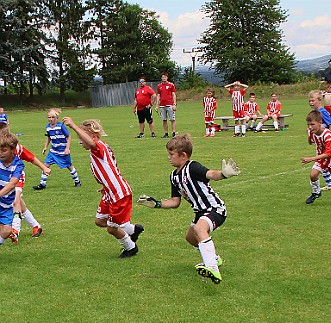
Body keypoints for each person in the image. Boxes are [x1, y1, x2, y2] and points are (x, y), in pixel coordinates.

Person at [137, 134, 241, 284]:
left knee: (200, 230)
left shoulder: (192, 167)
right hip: (200, 213)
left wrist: (224, 174)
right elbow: (175, 201)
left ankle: (212, 268)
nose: (169, 157)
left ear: (183, 156)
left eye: (171, 154)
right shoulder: (174, 176)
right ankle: (214, 259)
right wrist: (156, 204)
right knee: (191, 238)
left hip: (215, 209)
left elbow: (210, 174)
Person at [62, 117, 143, 258]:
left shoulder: (98, 147)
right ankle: (132, 229)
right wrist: (105, 186)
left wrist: (74, 126)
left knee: (112, 228)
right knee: (99, 221)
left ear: (93, 136)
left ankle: (130, 247)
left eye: (82, 137)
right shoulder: (98, 149)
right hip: (109, 191)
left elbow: (92, 145)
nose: (80, 141)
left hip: (118, 193)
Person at [0, 124, 50, 242]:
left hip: (17, 177)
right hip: (4, 179)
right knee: (20, 204)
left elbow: (31, 157)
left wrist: (44, 167)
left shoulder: (16, 149)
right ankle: (36, 226)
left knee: (16, 201)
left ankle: (15, 230)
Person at [33, 108, 81, 190]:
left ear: (57, 118)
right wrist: (45, 147)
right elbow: (48, 137)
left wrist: (67, 148)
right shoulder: (47, 127)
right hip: (53, 151)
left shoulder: (61, 126)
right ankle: (42, 184)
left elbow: (69, 136)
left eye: (52, 117)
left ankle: (77, 181)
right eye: (49, 117)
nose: (51, 119)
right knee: (46, 166)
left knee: (69, 166)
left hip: (63, 151)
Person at [0, 131, 24, 245]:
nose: (0, 153)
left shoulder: (18, 164)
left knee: (6, 231)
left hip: (6, 205)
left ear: (12, 150)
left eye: (4, 150)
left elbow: (13, 183)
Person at [155, 72, 177, 138]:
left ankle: (173, 132)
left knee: (172, 119)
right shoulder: (159, 86)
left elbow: (173, 94)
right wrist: (157, 105)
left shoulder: (171, 85)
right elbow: (158, 96)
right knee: (164, 119)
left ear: (167, 77)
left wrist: (174, 104)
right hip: (162, 105)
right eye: (162, 77)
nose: (164, 78)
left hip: (170, 104)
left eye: (165, 77)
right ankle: (166, 133)